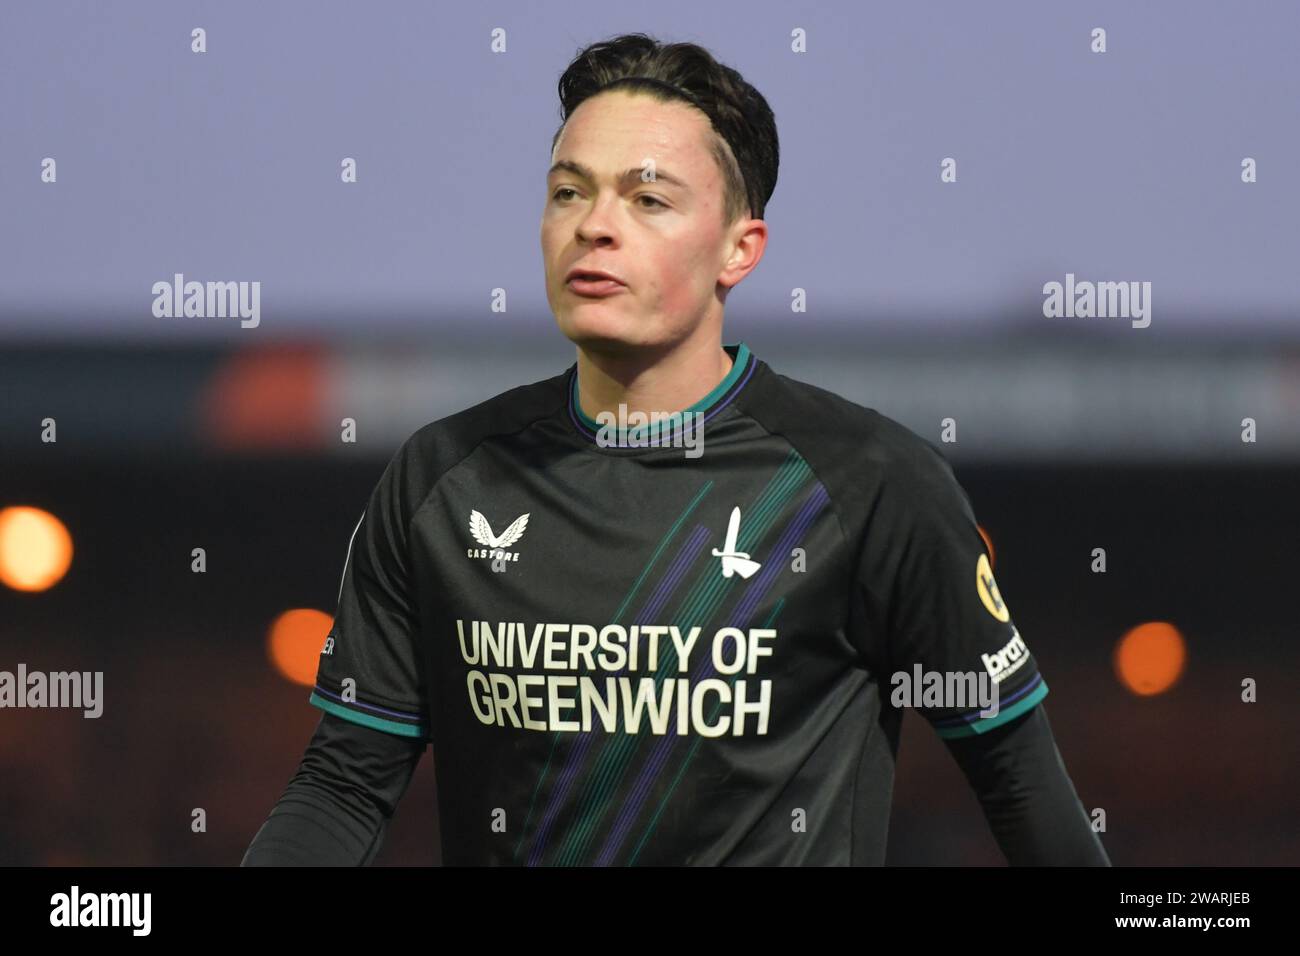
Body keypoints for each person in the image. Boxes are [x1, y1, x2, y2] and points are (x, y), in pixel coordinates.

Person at [242, 32, 1109, 867]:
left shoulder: (872, 485)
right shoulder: (439, 481)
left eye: (648, 199)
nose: (594, 227)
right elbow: (343, 787)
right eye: (568, 192)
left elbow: (1020, 784)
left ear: (741, 249)